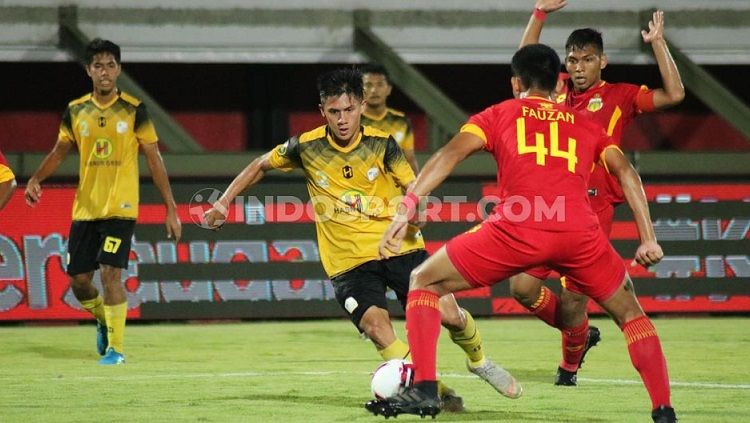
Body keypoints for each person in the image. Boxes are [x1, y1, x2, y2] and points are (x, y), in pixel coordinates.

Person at [367, 44, 676, 423]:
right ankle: (663, 411)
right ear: (557, 85)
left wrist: (408, 205)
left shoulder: (499, 113)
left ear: (516, 83)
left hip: (519, 228)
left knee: (424, 281)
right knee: (631, 316)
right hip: (580, 234)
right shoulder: (586, 123)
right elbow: (628, 174)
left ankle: (426, 389)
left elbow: (449, 154)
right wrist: (648, 237)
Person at [203, 68, 522, 412]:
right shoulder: (305, 147)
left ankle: (479, 360)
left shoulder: (382, 144)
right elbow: (260, 164)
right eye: (335, 112)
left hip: (398, 247)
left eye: (350, 110)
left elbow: (414, 185)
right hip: (348, 261)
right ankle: (436, 390)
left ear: (360, 106)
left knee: (450, 315)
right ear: (322, 110)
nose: (343, 119)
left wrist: (419, 210)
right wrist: (223, 201)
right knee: (376, 327)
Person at [511, 1, 685, 386]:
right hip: (550, 207)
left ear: (601, 62)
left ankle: (569, 367)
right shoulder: (554, 94)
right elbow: (524, 63)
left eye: (586, 60)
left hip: (593, 211)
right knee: (521, 287)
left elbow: (673, 94)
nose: (577, 68)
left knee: (573, 302)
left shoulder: (621, 96)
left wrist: (658, 43)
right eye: (572, 60)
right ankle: (580, 334)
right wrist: (539, 14)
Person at [24, 38, 182, 365]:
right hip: (86, 209)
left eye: (111, 65)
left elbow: (155, 159)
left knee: (111, 274)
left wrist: (171, 208)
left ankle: (116, 349)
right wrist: (37, 178)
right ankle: (101, 319)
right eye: (98, 66)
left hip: (121, 209)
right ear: (88, 70)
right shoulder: (75, 111)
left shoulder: (135, 110)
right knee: (79, 282)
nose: (105, 72)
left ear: (119, 69)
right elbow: (58, 152)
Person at [360, 64, 420, 173]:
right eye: (368, 85)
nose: (374, 90)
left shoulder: (402, 121)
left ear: (388, 89)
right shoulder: (352, 121)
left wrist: (418, 186)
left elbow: (409, 158)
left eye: (380, 84)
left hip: (394, 188)